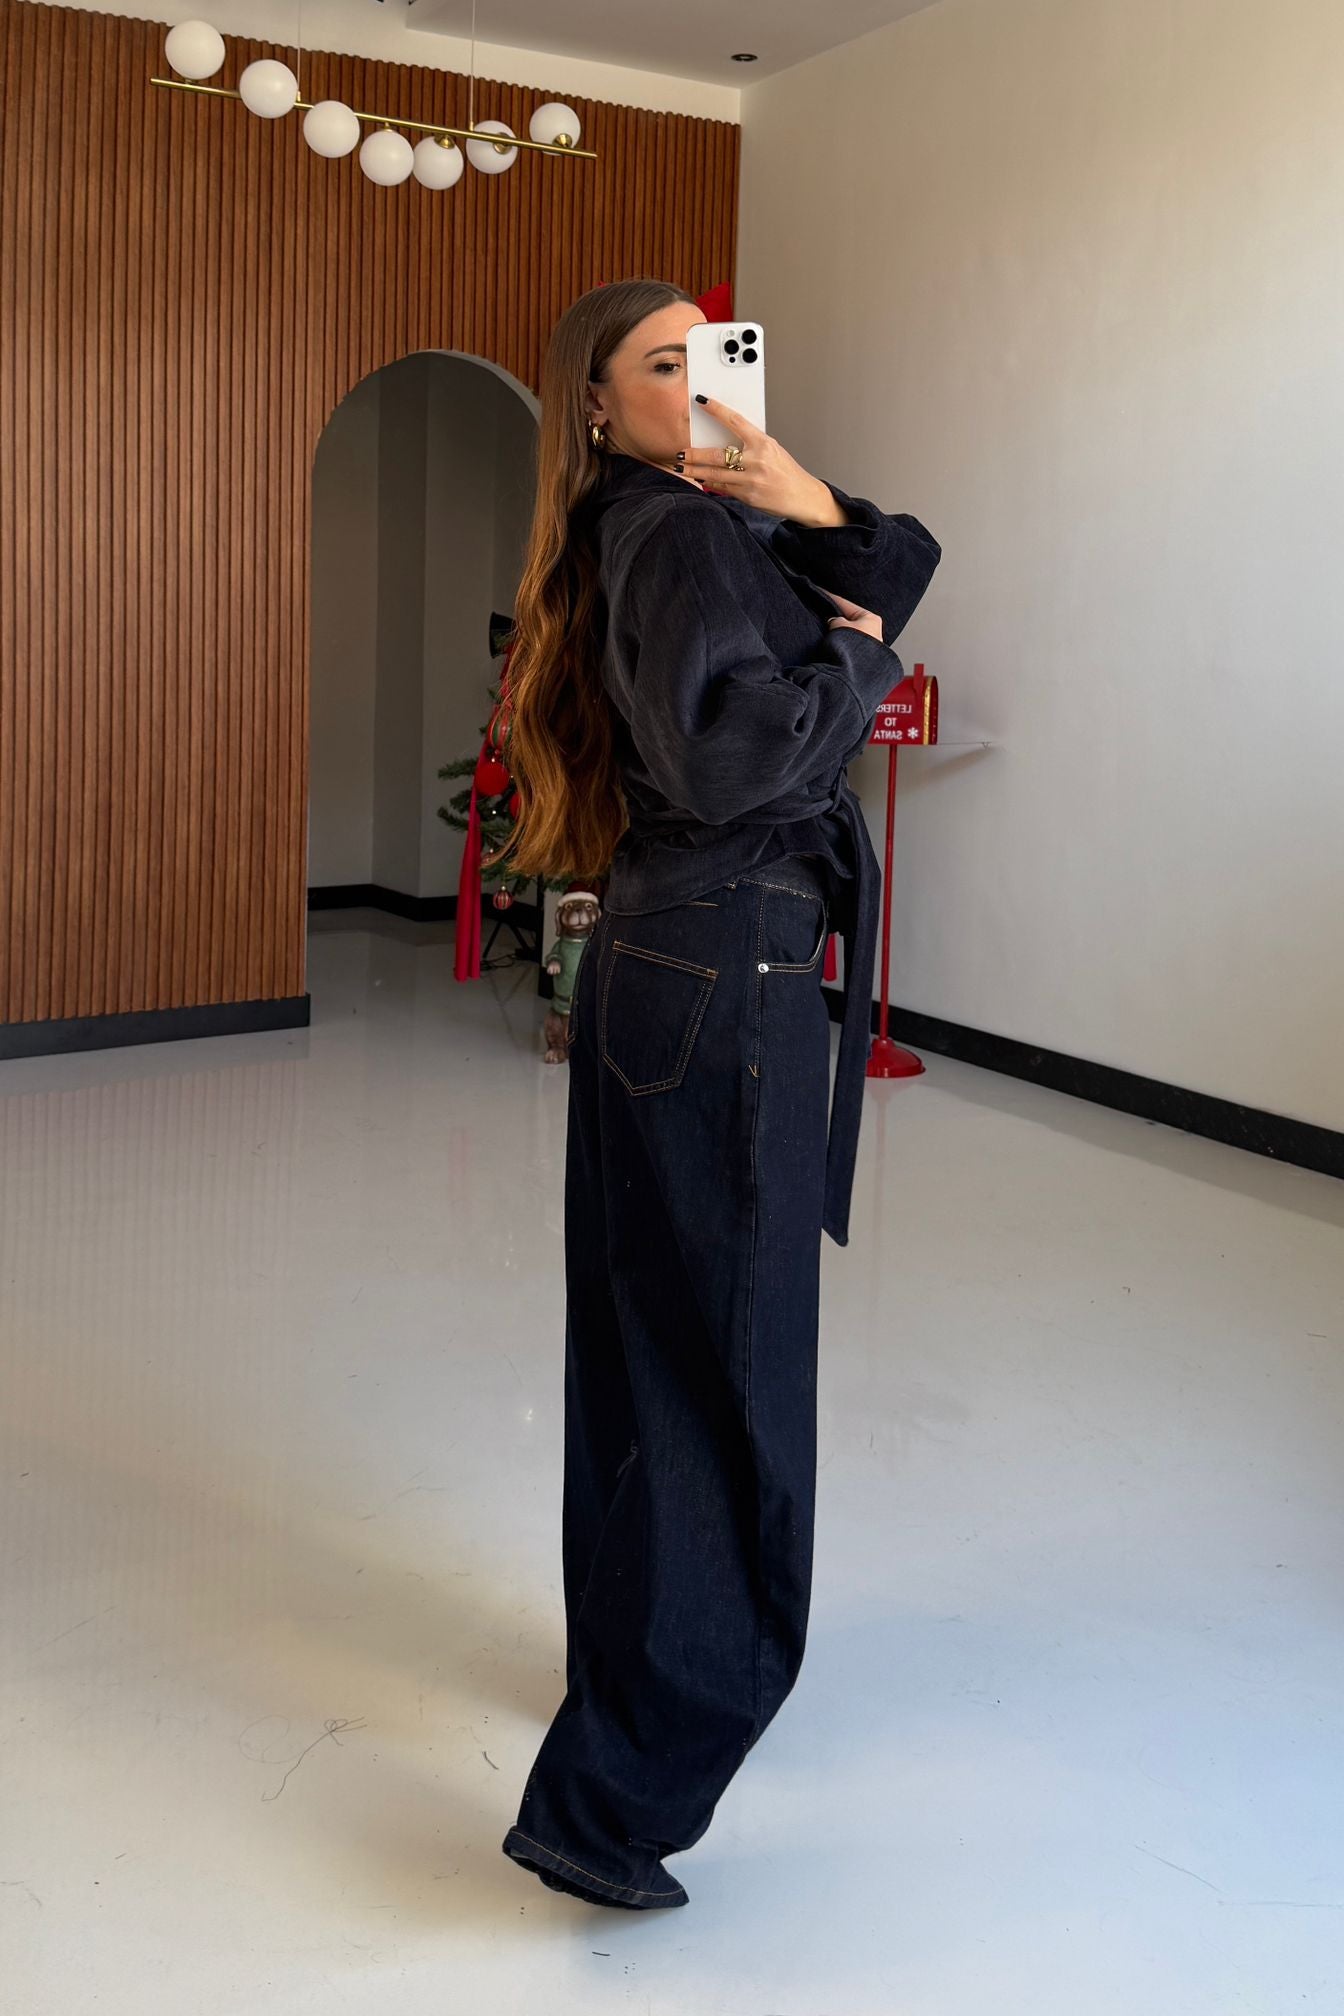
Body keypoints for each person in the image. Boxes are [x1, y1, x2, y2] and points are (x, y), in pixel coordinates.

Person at [492, 278, 942, 1909]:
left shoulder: (674, 522)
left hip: (663, 963)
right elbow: (743, 757)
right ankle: (614, 1803)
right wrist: (859, 655)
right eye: (661, 363)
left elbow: (897, 556)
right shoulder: (679, 535)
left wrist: (803, 497)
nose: (697, 383)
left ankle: (623, 1678)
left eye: (715, 355)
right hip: (725, 967)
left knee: (641, 1360)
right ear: (597, 403)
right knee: (727, 1388)